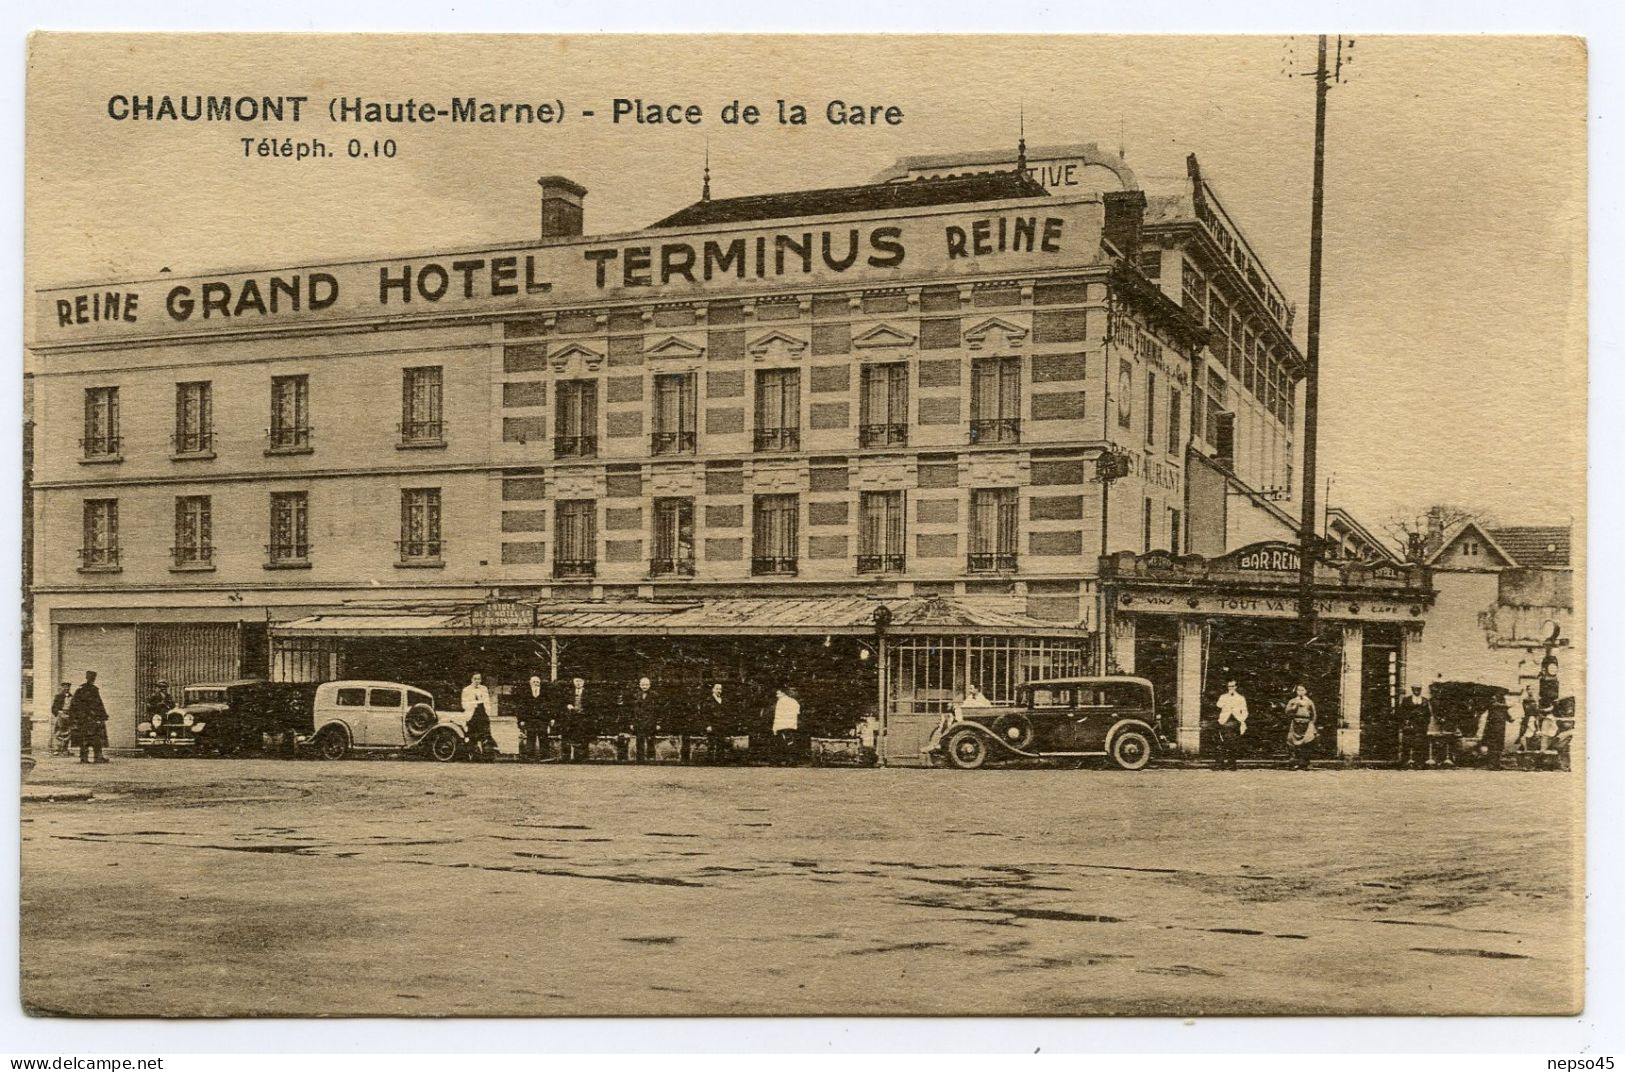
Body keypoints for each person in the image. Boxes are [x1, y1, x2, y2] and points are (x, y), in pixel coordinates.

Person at [68, 670, 110, 764]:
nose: (92, 679)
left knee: (85, 738)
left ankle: (85, 758)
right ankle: (97, 757)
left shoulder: (80, 690)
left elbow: (73, 705)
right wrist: (101, 716)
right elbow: (98, 704)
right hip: (92, 718)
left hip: (84, 719)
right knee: (96, 738)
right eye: (92, 678)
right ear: (92, 678)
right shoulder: (93, 690)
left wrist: (76, 717)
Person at [513, 674, 552, 761]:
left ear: (540, 683)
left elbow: (549, 706)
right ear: (530, 683)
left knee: (543, 737)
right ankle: (530, 757)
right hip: (530, 719)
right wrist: (521, 720)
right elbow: (521, 707)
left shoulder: (545, 693)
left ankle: (545, 757)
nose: (536, 683)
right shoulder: (525, 694)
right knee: (531, 737)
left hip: (542, 719)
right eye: (534, 682)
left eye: (537, 682)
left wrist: (550, 718)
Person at [695, 682, 736, 764]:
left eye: (720, 689)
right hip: (712, 724)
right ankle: (710, 761)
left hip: (721, 724)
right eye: (717, 689)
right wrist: (708, 725)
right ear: (713, 690)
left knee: (721, 742)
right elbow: (704, 714)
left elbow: (727, 713)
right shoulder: (708, 701)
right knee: (711, 742)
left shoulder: (723, 700)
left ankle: (720, 760)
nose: (719, 691)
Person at [558, 676, 596, 763]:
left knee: (582, 737)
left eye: (580, 681)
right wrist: (568, 705)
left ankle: (582, 758)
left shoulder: (588, 693)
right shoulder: (569, 692)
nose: (578, 683)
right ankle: (566, 758)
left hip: (583, 718)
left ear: (583, 682)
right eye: (576, 681)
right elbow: (562, 702)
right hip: (571, 718)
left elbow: (592, 705)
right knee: (568, 737)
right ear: (573, 682)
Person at [460, 672, 498, 760]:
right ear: (471, 679)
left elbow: (487, 701)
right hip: (472, 715)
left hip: (483, 714)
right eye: (475, 679)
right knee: (473, 735)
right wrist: (475, 703)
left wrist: (488, 712)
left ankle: (488, 755)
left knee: (486, 735)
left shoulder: (484, 689)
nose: (477, 681)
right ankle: (474, 755)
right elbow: (464, 704)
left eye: (479, 679)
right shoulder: (466, 690)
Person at [1213, 679, 1248, 771]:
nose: (1231, 688)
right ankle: (1219, 763)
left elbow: (1245, 711)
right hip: (1225, 721)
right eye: (1229, 686)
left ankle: (1232, 764)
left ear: (1236, 687)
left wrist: (1241, 719)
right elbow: (1218, 705)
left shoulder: (1241, 698)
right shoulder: (1223, 696)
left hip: (1235, 721)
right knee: (1222, 742)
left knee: (1233, 744)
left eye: (1232, 686)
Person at [1282, 684, 1318, 770]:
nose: (1300, 692)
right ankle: (1295, 763)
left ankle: (1305, 763)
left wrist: (1312, 724)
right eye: (1299, 690)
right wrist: (1294, 707)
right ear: (1296, 691)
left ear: (1306, 691)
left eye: (1302, 690)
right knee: (1293, 743)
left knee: (1307, 743)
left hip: (1306, 723)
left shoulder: (1309, 702)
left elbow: (1314, 713)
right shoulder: (1293, 701)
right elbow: (1286, 712)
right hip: (1296, 723)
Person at [626, 676, 660, 762]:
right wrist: (632, 723)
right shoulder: (636, 695)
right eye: (643, 684)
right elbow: (632, 711)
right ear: (640, 685)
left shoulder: (655, 695)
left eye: (646, 684)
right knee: (639, 740)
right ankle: (640, 759)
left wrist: (658, 723)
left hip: (651, 721)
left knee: (650, 740)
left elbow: (658, 710)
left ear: (650, 685)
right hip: (639, 721)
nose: (644, 686)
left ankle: (651, 759)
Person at [1397, 685, 1432, 769]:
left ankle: (1420, 763)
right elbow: (1401, 713)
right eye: (1415, 689)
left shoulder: (1424, 700)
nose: (1417, 691)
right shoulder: (1407, 700)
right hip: (1410, 726)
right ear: (1412, 690)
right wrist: (1405, 722)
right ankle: (1406, 763)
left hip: (1421, 726)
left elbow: (1428, 714)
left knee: (1420, 744)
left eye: (1418, 689)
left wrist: (1425, 724)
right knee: (1408, 743)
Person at [772, 686, 802, 765]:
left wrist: (775, 728)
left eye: (778, 693)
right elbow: (797, 712)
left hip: (782, 726)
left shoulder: (780, 702)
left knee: (782, 743)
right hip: (791, 725)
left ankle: (782, 761)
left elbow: (778, 715)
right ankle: (792, 761)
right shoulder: (794, 701)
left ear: (783, 693)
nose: (776, 695)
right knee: (790, 742)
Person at [49, 682, 74, 755]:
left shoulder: (72, 697)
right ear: (61, 688)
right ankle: (58, 749)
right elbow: (53, 708)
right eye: (64, 687)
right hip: (61, 715)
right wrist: (58, 712)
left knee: (68, 732)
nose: (66, 689)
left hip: (69, 715)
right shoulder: (58, 696)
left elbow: (75, 707)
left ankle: (65, 749)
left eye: (68, 687)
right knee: (59, 731)